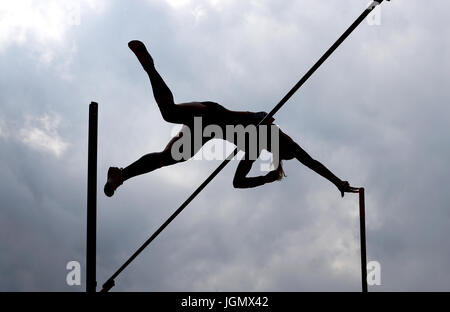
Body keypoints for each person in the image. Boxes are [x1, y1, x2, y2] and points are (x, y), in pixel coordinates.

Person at [104, 40, 358, 198]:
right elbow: (311, 161)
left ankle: (122, 175)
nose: (280, 145)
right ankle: (150, 67)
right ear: (283, 139)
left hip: (206, 133)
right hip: (211, 113)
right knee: (169, 113)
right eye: (283, 144)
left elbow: (238, 183)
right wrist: (337, 181)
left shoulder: (253, 150)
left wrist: (266, 179)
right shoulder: (265, 126)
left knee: (164, 159)